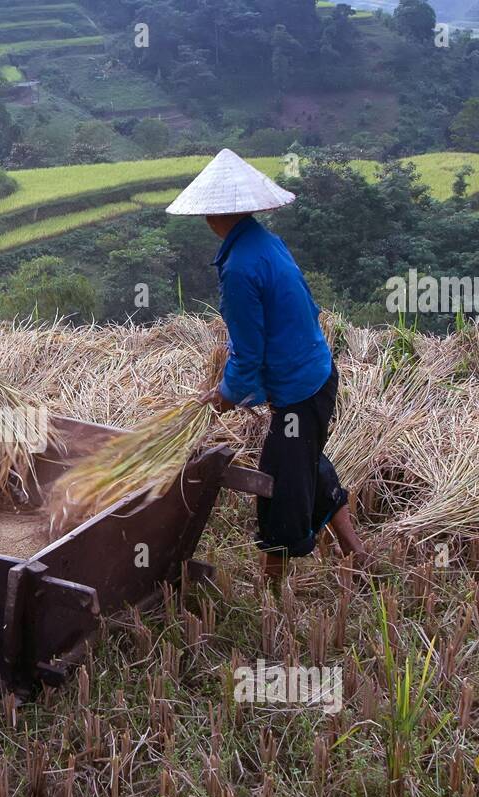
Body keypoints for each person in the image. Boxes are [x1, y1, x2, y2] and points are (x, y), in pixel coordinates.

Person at [165, 149, 367, 581]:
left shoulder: (240, 267)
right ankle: (357, 553)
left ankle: (274, 597)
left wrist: (223, 396)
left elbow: (247, 352)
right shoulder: (265, 242)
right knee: (305, 462)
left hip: (299, 390)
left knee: (280, 486)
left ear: (211, 215)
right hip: (315, 376)